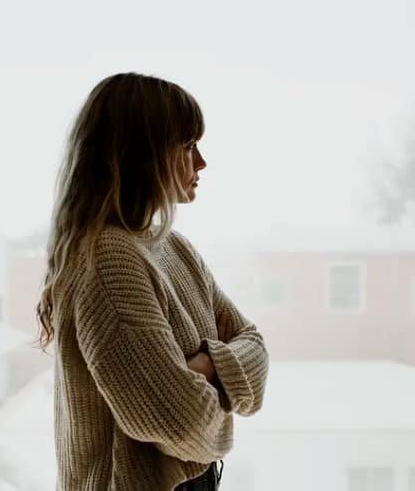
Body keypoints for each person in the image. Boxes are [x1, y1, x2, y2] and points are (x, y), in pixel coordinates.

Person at [36, 72, 270, 491]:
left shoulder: (174, 249)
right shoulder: (108, 259)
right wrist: (216, 379)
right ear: (142, 155)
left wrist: (204, 367)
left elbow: (255, 344)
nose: (201, 163)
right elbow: (181, 420)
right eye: (188, 146)